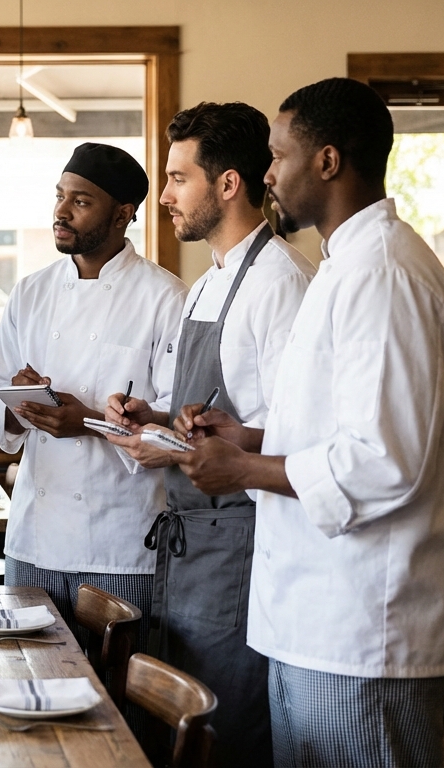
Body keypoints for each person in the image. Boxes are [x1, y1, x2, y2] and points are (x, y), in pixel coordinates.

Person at [173, 78, 444, 767]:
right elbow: (331, 425)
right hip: (315, 617)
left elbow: (383, 460)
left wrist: (243, 469)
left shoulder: (386, 274)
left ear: (328, 162)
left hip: (364, 627)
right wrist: (244, 435)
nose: (268, 173)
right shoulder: (346, 266)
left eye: (279, 156)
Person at [101, 102, 315, 767]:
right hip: (187, 545)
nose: (163, 196)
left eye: (177, 178)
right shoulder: (205, 283)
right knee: (186, 725)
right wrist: (154, 420)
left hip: (241, 550)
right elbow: (201, 411)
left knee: (230, 728)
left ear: (227, 184)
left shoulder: (281, 284)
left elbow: (296, 435)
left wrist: (194, 440)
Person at [0, 143, 186, 644]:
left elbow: (176, 426)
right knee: (25, 681)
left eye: (81, 201)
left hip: (121, 544)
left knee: (120, 706)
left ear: (122, 214)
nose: (60, 212)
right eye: (59, 196)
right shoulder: (30, 291)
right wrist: (21, 402)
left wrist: (87, 419)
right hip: (33, 538)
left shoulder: (166, 297)